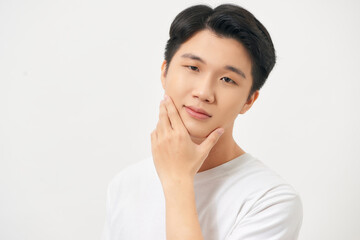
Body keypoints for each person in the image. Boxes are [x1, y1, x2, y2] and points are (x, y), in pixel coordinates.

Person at [101, 3, 303, 240]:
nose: (204, 92)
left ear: (249, 100)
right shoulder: (126, 184)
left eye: (227, 79)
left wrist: (178, 181)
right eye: (193, 67)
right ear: (164, 72)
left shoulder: (269, 200)